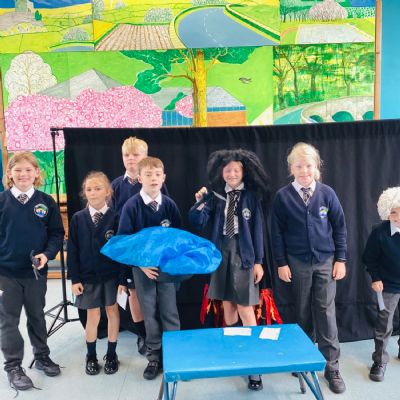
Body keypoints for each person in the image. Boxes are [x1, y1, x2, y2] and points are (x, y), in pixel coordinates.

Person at [189, 149, 270, 391]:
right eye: (227, 170)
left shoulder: (251, 197)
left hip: (244, 254)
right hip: (221, 253)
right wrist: (199, 202)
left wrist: (258, 261)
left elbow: (258, 230)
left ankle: (254, 365)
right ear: (221, 172)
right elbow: (197, 221)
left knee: (245, 306)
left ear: (244, 172)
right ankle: (236, 352)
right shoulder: (214, 196)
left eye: (236, 170)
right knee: (228, 305)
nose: (232, 174)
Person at [270, 142, 347, 394]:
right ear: (291, 168)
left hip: (325, 261)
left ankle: (332, 366)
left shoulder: (327, 194)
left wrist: (341, 259)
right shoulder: (283, 197)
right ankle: (303, 358)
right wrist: (281, 263)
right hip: (297, 262)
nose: (304, 171)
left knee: (325, 311)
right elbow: (276, 234)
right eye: (299, 166)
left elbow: (340, 227)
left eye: (309, 166)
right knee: (301, 310)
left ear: (316, 167)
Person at [0, 152, 64, 391]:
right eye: (18, 170)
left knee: (37, 315)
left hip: (36, 273)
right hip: (6, 274)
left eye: (28, 170)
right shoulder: (2, 202)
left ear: (37, 172)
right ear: (9, 173)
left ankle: (42, 356)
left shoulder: (46, 202)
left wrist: (47, 254)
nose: (23, 174)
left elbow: (56, 234)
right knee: (9, 320)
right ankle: (13, 366)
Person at [117, 156, 181, 380]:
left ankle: (174, 354)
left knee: (169, 310)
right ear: (139, 178)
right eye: (148, 174)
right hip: (142, 269)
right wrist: (141, 263)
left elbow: (178, 237)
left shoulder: (169, 205)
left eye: (157, 174)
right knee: (149, 311)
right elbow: (124, 241)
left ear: (163, 178)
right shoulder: (131, 206)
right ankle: (154, 356)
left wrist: (171, 262)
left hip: (166, 269)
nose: (153, 178)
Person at [111, 136, 169, 356]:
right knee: (133, 292)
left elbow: (166, 216)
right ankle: (143, 334)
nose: (131, 159)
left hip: (154, 251)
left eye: (136, 155)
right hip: (130, 251)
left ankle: (160, 334)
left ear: (145, 156)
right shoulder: (116, 185)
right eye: (127, 155)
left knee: (158, 293)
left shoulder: (156, 182)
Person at [67, 171, 121, 376]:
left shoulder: (116, 217)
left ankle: (112, 355)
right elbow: (73, 250)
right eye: (89, 189)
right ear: (84, 193)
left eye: (98, 188)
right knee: (93, 315)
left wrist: (122, 279)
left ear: (107, 192)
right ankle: (91, 356)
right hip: (88, 277)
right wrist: (75, 279)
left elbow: (121, 251)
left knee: (112, 311)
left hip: (111, 276)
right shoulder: (78, 219)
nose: (93, 192)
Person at [363, 187, 400, 382]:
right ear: (386, 213)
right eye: (393, 212)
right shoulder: (380, 232)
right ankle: (379, 361)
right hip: (388, 285)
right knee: (384, 324)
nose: (398, 217)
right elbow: (369, 258)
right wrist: (375, 278)